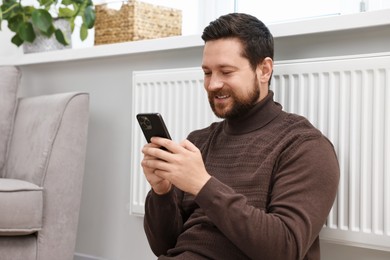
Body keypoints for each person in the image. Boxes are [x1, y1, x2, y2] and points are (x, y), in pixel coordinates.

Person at [140, 13, 339, 260]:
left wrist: (203, 185)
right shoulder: (199, 142)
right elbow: (165, 245)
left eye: (226, 71)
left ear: (264, 70)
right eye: (207, 73)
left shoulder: (303, 146)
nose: (213, 84)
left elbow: (284, 249)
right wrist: (162, 192)